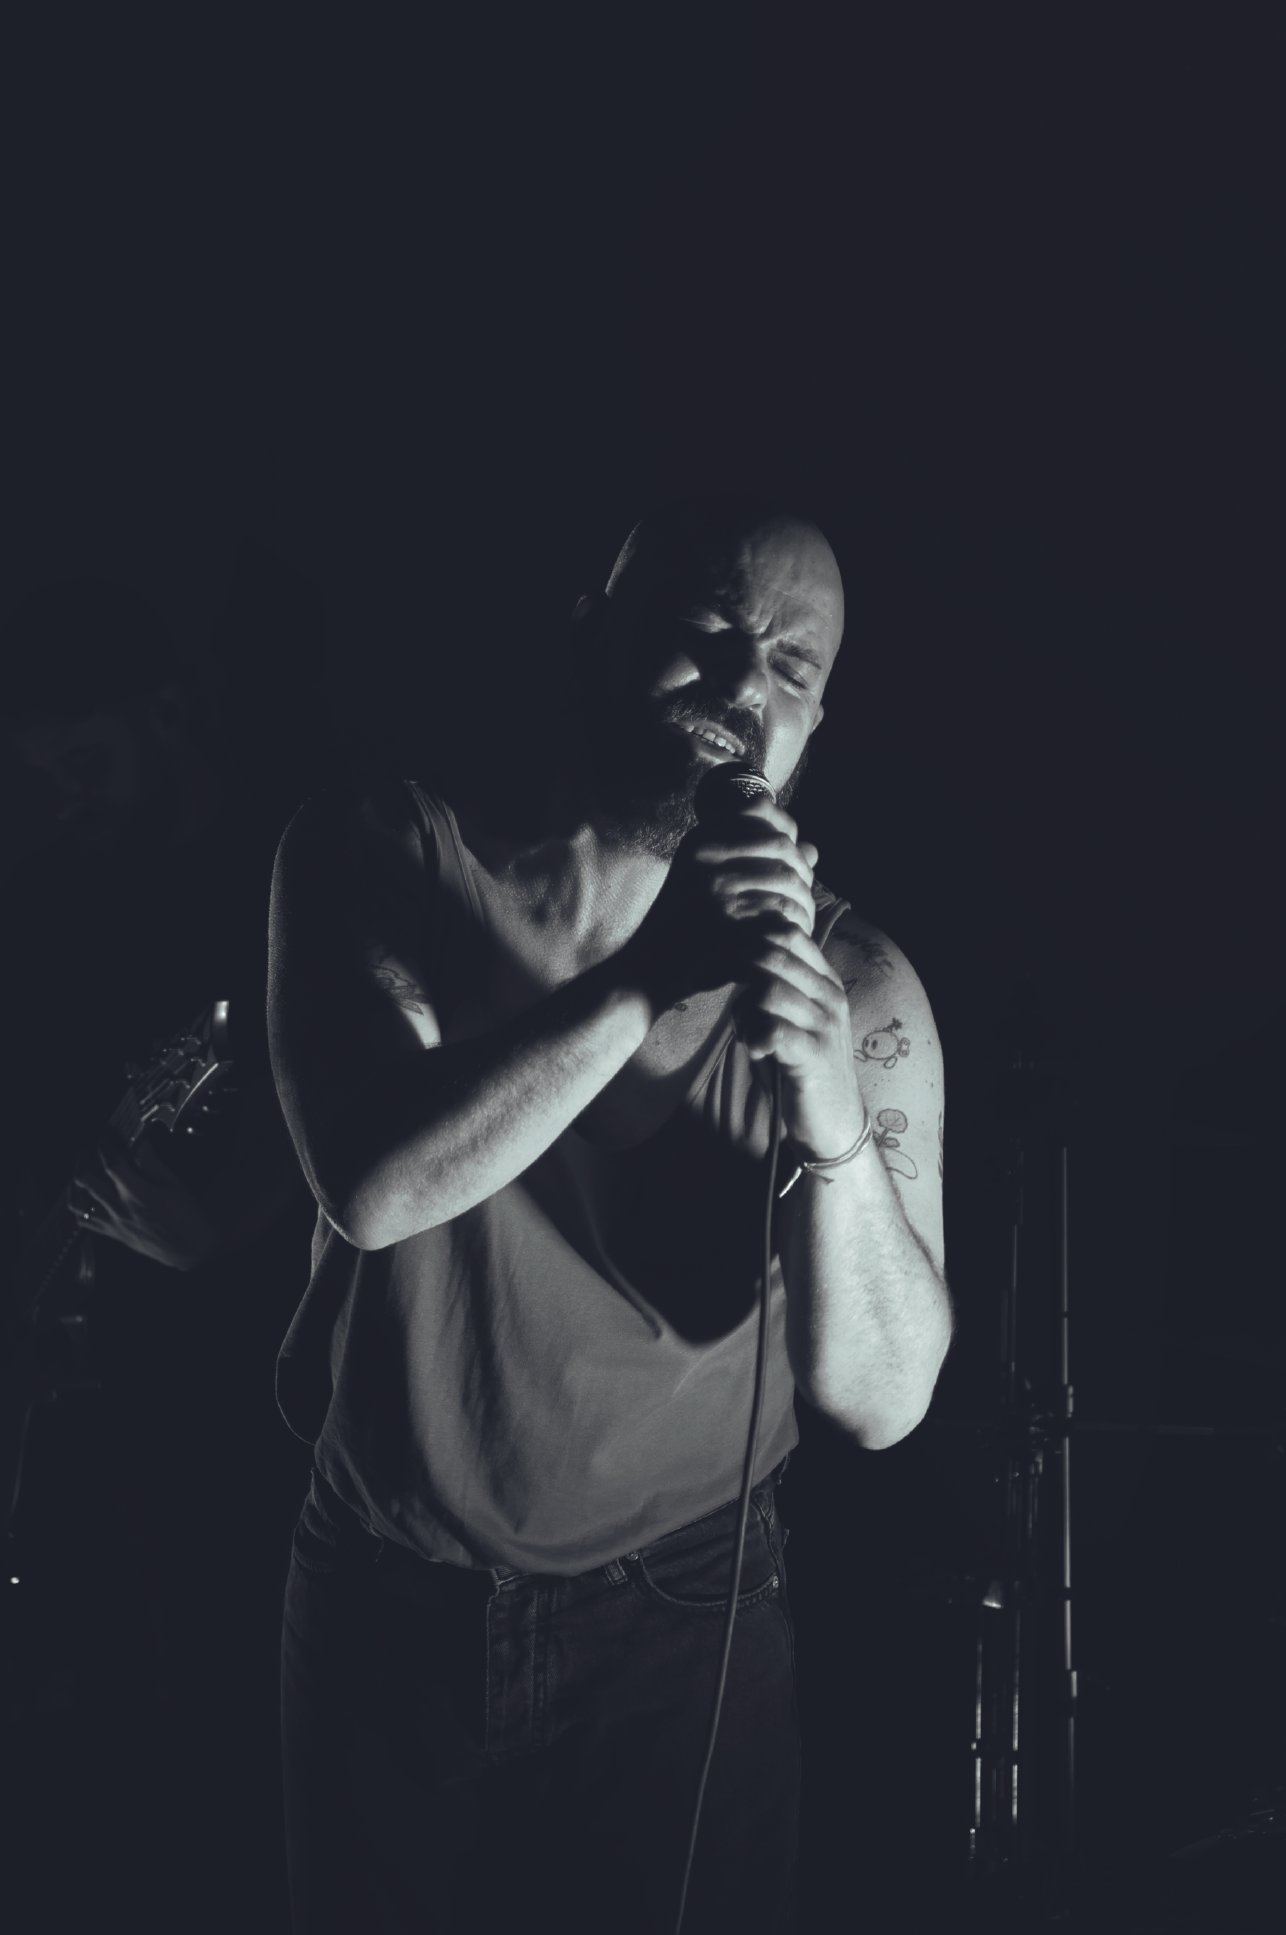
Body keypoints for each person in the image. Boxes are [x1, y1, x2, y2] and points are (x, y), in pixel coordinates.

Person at [267, 500, 953, 1934]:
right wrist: (648, 979)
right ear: (597, 630)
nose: (742, 685)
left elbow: (883, 1400)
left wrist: (833, 1116)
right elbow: (375, 1188)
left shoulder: (860, 990)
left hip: (681, 1612)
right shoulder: (380, 849)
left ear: (814, 729)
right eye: (709, 631)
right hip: (389, 1586)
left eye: (791, 667)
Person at [1, 573, 317, 1931]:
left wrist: (229, 1232)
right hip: (90, 1402)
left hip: (245, 1404)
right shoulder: (62, 901)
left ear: (170, 716)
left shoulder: (294, 876)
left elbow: (363, 1130)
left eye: (83, 766)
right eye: (41, 780)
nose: (61, 802)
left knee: (235, 1745)